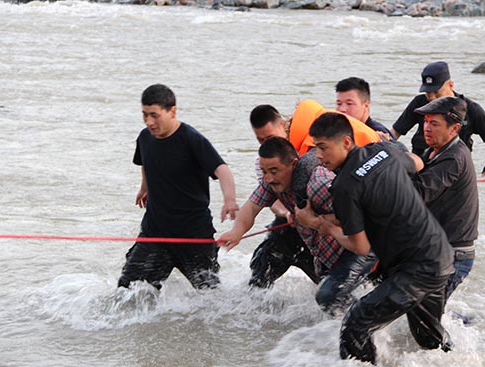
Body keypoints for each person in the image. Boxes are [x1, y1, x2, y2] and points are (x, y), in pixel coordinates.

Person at [298, 112, 454, 364]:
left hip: (415, 270)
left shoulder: (345, 187)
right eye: (316, 147)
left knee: (355, 323)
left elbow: (360, 246)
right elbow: (418, 163)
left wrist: (320, 224)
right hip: (441, 255)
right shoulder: (383, 152)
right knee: (429, 342)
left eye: (324, 148)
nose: (318, 156)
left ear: (346, 142)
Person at [218, 136, 377, 314]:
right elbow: (252, 207)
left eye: (274, 171)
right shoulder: (271, 182)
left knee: (329, 297)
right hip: (327, 253)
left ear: (293, 164)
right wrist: (236, 232)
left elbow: (362, 215)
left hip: (360, 247)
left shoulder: (319, 184)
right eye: (264, 172)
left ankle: (372, 327)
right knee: (331, 306)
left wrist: (314, 222)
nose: (269, 178)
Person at [246, 101, 381, 288]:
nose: (266, 143)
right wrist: (288, 213)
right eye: (260, 140)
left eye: (269, 137)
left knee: (340, 284)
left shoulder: (315, 156)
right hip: (299, 220)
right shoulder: (267, 162)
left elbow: (357, 208)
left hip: (354, 222)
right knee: (269, 255)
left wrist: (317, 221)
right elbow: (268, 197)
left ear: (284, 126)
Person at [118, 84, 238, 291]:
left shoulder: (192, 139)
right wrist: (144, 187)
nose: (149, 122)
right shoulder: (145, 138)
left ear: (172, 111)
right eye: (145, 115)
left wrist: (230, 200)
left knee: (211, 297)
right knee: (127, 292)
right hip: (155, 233)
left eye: (155, 115)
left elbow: (222, 170)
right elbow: (146, 163)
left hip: (193, 236)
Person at [411, 96, 479, 300]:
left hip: (453, 255)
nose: (427, 128)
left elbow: (417, 194)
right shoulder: (433, 151)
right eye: (425, 122)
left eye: (434, 123)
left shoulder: (454, 157)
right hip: (435, 247)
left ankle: (462, 328)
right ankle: (464, 320)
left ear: (454, 129)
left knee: (424, 314)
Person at [391, 61, 485, 181]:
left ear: (451, 85)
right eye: (428, 93)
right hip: (421, 166)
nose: (432, 98)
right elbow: (395, 132)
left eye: (437, 92)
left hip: (451, 170)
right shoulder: (419, 103)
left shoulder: (471, 109)